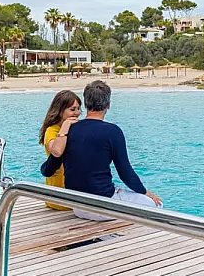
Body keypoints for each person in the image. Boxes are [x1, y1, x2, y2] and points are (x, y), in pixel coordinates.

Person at [62, 80, 162, 220]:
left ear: (85, 104)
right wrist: (145, 192)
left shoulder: (69, 129)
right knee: (156, 205)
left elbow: (50, 169)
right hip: (103, 208)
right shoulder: (113, 131)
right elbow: (125, 173)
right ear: (108, 105)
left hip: (78, 207)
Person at [38, 90, 81, 210]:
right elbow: (56, 151)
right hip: (58, 196)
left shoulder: (75, 128)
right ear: (60, 110)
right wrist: (65, 126)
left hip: (74, 192)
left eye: (78, 109)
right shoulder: (52, 130)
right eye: (72, 109)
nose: (77, 113)